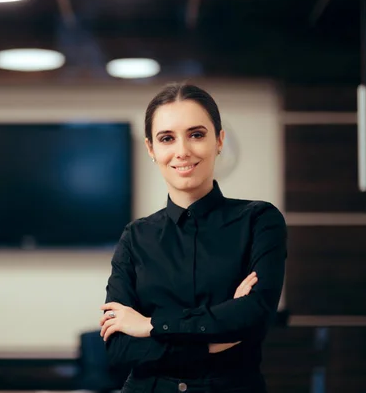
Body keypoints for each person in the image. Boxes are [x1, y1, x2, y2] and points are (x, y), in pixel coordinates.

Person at [98, 83, 287, 393]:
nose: (182, 150)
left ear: (219, 140)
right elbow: (119, 349)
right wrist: (214, 338)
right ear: (151, 149)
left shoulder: (259, 221)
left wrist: (150, 325)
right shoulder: (135, 237)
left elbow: (255, 317)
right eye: (167, 138)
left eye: (196, 134)